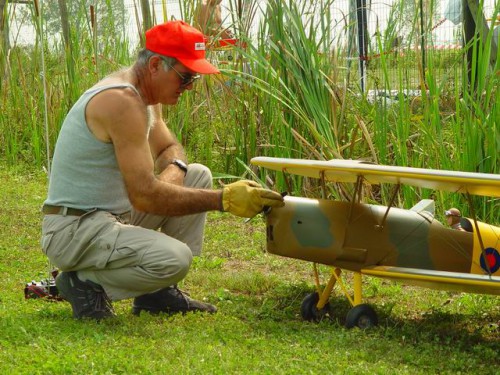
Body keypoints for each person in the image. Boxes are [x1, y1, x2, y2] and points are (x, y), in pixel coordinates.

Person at [41, 20, 284, 320]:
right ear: (155, 65)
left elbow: (170, 149)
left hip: (108, 216)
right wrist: (224, 200)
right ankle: (82, 283)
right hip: (74, 229)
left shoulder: (144, 97)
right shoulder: (122, 102)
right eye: (185, 78)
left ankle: (156, 293)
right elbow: (145, 196)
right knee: (176, 258)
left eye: (194, 78)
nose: (190, 87)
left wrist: (175, 170)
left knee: (198, 174)